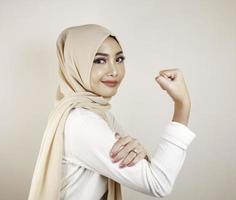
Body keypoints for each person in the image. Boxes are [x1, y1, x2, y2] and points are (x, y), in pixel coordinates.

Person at [27, 24, 196, 200]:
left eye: (119, 59)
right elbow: (158, 182)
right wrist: (182, 104)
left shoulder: (98, 113)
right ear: (75, 65)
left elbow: (142, 164)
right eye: (100, 60)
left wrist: (139, 152)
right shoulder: (82, 122)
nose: (114, 71)